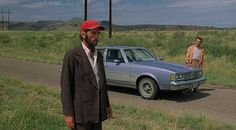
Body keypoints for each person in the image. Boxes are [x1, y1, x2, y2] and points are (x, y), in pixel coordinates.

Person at [60, 19, 113, 130]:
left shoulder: (99, 56)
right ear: (83, 34)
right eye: (93, 33)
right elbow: (66, 87)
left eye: (98, 33)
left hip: (97, 111)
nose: (97, 36)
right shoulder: (72, 56)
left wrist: (107, 105)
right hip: (81, 113)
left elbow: (101, 83)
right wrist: (68, 113)